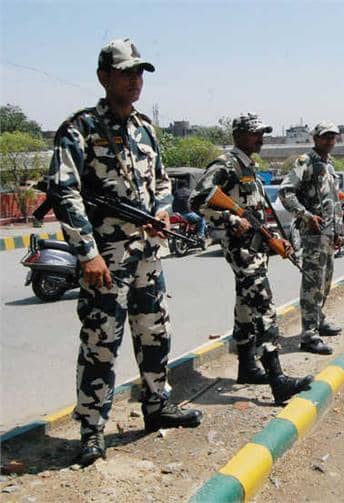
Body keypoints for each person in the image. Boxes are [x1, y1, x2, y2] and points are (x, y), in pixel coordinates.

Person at [47, 38, 202, 466]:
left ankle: (157, 405)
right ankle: (92, 429)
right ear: (104, 77)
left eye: (139, 73)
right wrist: (87, 253)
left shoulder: (146, 128)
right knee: (101, 343)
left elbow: (163, 181)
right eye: (125, 73)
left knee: (155, 332)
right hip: (107, 258)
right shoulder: (79, 128)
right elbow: (64, 192)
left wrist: (163, 212)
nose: (135, 81)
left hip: (148, 253)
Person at [190, 113, 312, 404]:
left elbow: (255, 213)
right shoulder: (226, 164)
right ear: (239, 135)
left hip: (255, 247)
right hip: (240, 249)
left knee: (245, 307)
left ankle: (247, 367)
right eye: (255, 133)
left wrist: (275, 238)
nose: (261, 139)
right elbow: (197, 199)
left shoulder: (249, 167)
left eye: (262, 133)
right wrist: (230, 219)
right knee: (264, 306)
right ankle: (278, 379)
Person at [279, 122, 344, 355]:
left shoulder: (329, 165)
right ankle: (309, 335)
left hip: (328, 234)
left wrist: (338, 231)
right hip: (313, 234)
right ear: (315, 139)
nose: (330, 141)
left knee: (325, 282)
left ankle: (318, 320)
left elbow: (333, 200)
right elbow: (285, 191)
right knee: (312, 284)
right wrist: (305, 216)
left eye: (333, 137)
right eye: (325, 137)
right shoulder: (305, 162)